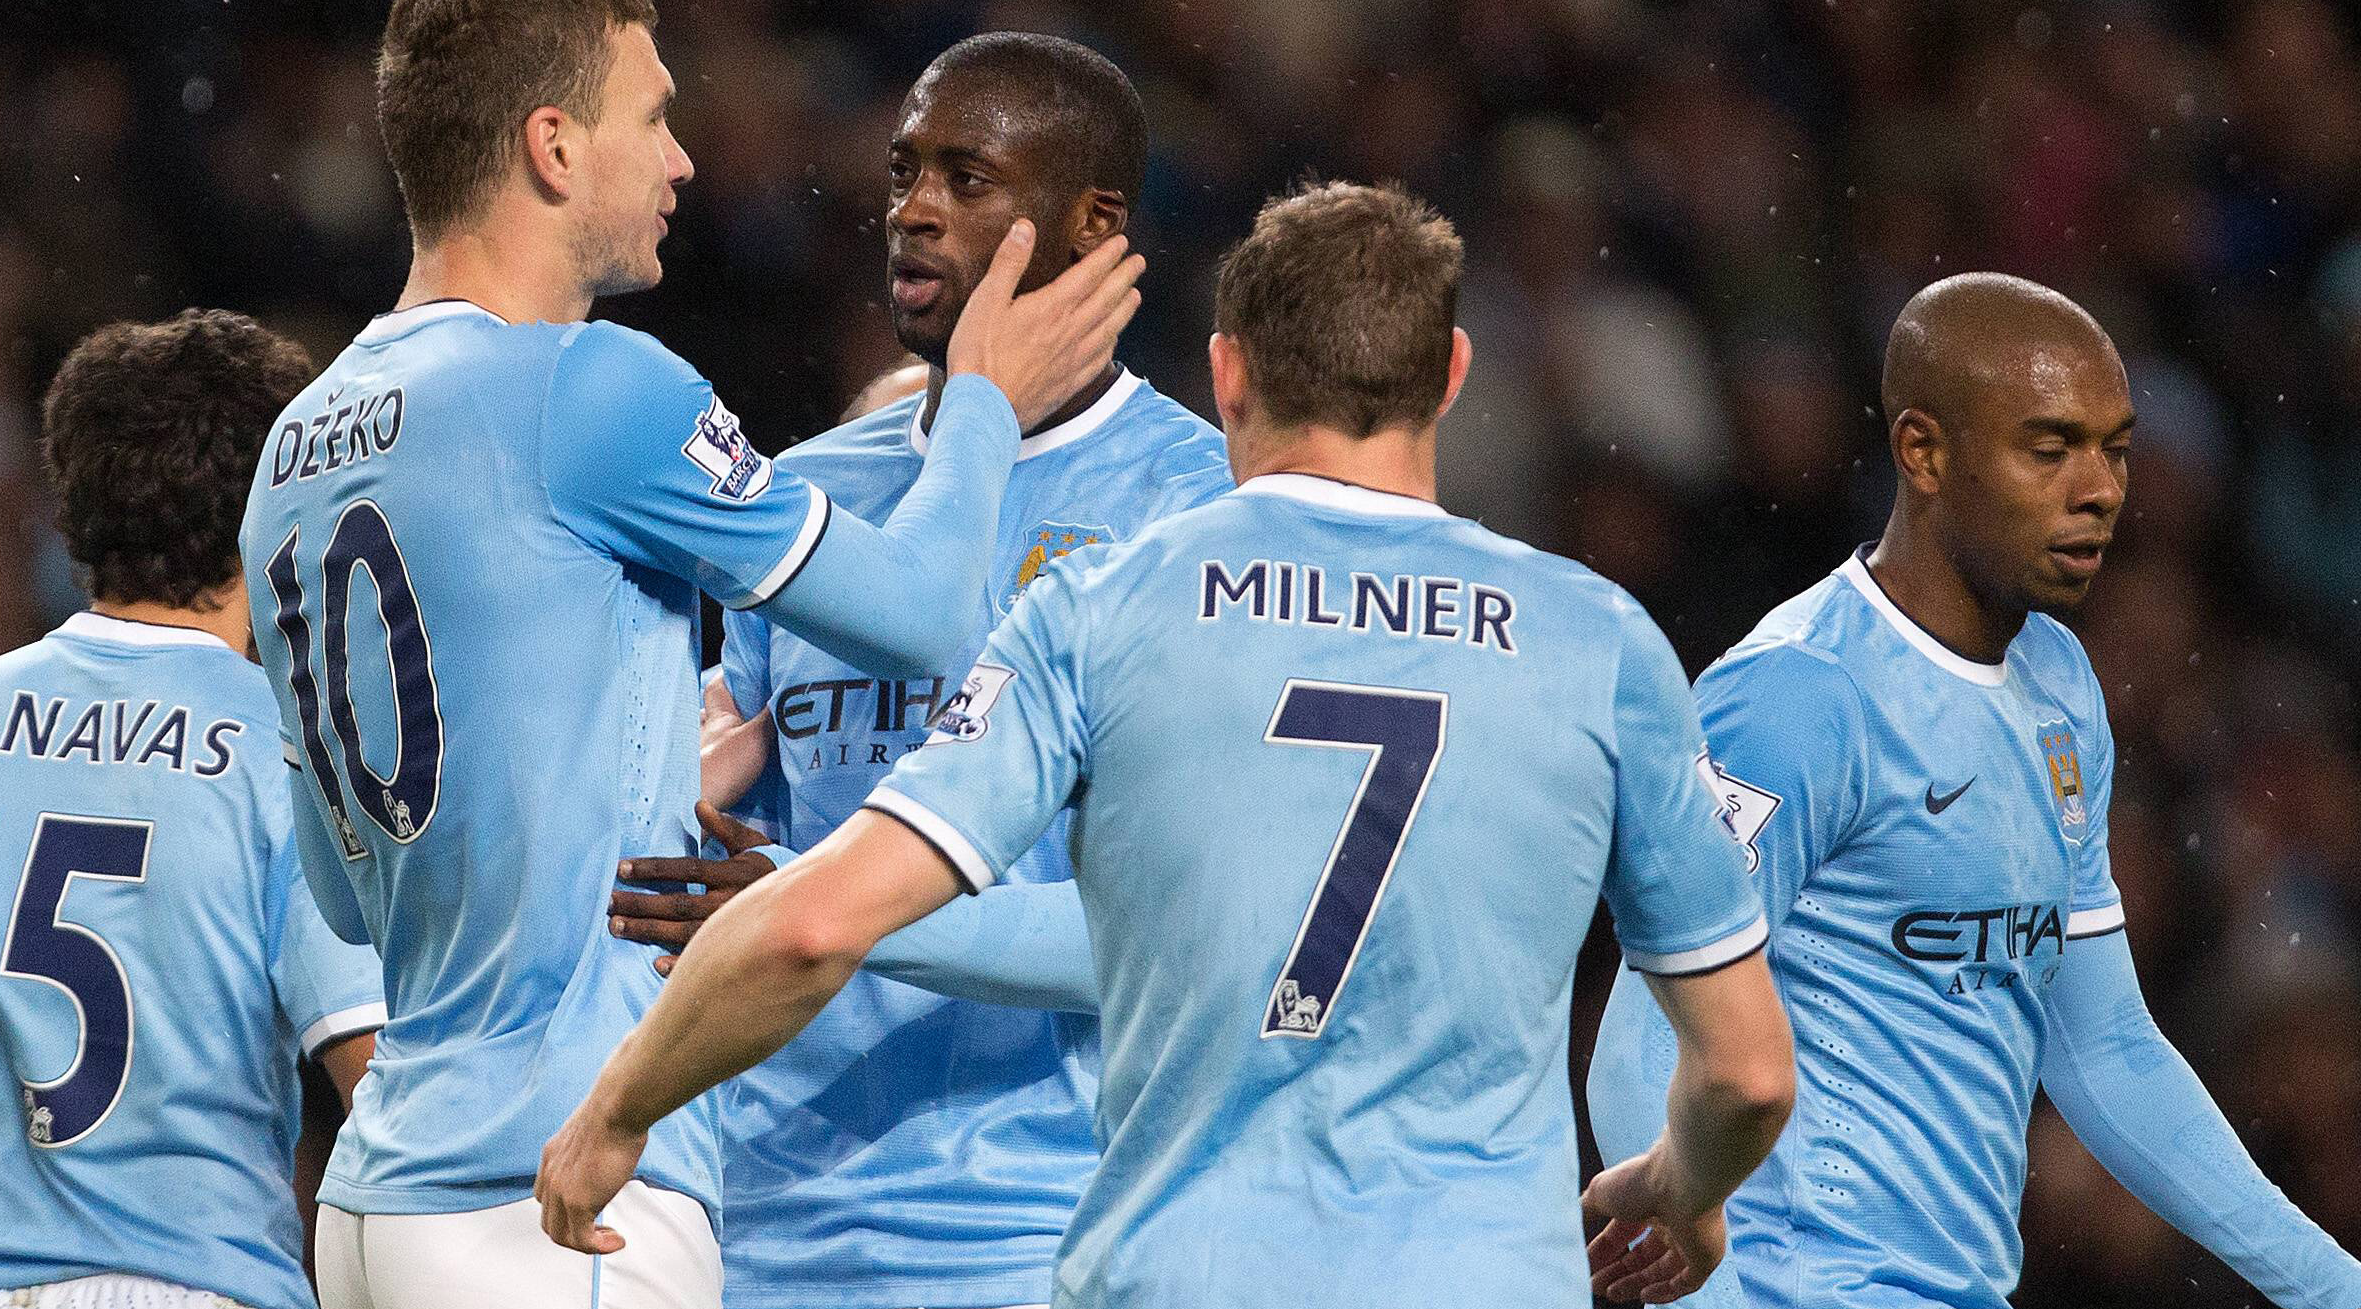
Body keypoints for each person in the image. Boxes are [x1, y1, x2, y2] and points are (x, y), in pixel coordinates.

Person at [538, 183, 1796, 1306]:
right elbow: (1745, 1073)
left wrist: (615, 1108)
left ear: (1228, 373)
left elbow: (817, 923)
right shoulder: (1598, 638)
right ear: (1454, 373)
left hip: (1181, 1266)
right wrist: (1676, 1184)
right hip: (1477, 1272)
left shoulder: (1103, 606)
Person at [243, 0, 1138, 1309]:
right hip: (556, 1193)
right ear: (553, 144)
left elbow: (336, 868)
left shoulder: (302, 437)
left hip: (381, 1198)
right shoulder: (594, 388)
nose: (683, 163)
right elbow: (923, 612)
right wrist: (981, 401)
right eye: (652, 117)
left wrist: (635, 761)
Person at [1583, 273, 2361, 1309]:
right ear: (1923, 452)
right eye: (2049, 449)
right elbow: (1640, 1044)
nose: (2097, 487)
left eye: (2116, 447)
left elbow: (2102, 1045)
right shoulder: (1795, 695)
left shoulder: (2059, 682)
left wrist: (2338, 1291)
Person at [605, 32, 1230, 1309]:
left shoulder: (1197, 512)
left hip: (1039, 1229)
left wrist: (831, 911)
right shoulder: (808, 497)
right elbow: (735, 861)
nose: (917, 211)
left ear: (1093, 222)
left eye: (969, 178)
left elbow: (1165, 943)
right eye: (904, 175)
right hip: (768, 1225)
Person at [0, 310, 384, 1309]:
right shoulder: (280, 745)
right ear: (274, 507)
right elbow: (377, 1084)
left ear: (71, 502)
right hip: (193, 1282)